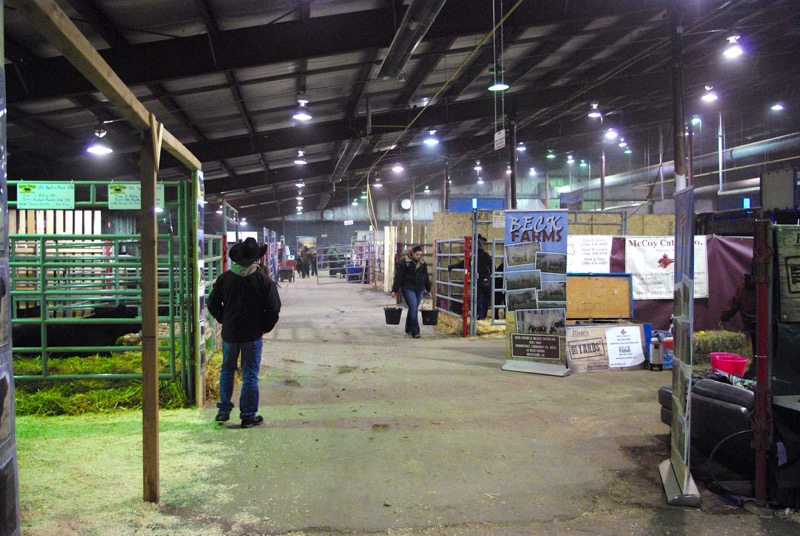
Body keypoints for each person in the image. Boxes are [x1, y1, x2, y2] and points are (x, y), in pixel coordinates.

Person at [208, 237, 282, 428]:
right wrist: (264, 327)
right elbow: (274, 308)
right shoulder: (263, 281)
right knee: (250, 375)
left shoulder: (225, 279)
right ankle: (248, 416)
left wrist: (224, 319)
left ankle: (223, 410)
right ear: (256, 259)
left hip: (231, 334)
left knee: (227, 370)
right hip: (252, 334)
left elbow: (212, 303)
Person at [720, 271, 757, 378]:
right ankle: (754, 373)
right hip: (763, 323)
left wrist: (724, 317)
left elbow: (734, 303)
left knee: (756, 350)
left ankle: (753, 373)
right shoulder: (764, 286)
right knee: (762, 351)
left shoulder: (743, 286)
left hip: (750, 323)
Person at [448, 234, 494, 320]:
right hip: (487, 279)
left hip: (478, 279)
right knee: (486, 299)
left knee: (478, 298)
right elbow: (492, 268)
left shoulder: (473, 256)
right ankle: (483, 315)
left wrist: (452, 266)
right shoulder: (486, 255)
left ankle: (480, 316)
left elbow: (463, 264)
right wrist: (490, 275)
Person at [391, 245, 432, 339]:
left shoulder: (422, 263)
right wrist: (394, 290)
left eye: (420, 255)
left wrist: (428, 290)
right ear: (412, 253)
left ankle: (408, 328)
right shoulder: (404, 263)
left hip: (420, 288)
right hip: (408, 288)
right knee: (413, 307)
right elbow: (399, 277)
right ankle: (416, 331)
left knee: (413, 308)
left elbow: (426, 276)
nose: (419, 256)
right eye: (417, 254)